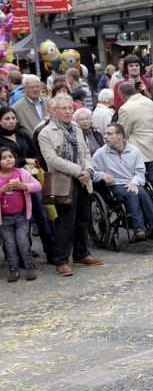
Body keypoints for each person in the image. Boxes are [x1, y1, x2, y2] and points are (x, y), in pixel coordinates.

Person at [37, 94, 103, 276]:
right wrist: (78, 171)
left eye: (70, 108)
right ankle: (61, 261)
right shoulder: (46, 132)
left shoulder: (77, 129)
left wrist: (88, 170)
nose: (68, 111)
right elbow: (51, 159)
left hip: (83, 180)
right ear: (54, 111)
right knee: (65, 222)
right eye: (64, 108)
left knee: (83, 219)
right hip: (63, 181)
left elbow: (86, 153)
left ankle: (81, 254)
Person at [91, 123, 153, 242]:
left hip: (133, 182)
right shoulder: (100, 153)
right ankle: (139, 228)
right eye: (105, 134)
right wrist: (102, 175)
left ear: (120, 136)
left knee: (142, 192)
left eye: (109, 134)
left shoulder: (134, 150)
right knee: (133, 193)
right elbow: (91, 171)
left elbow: (140, 171)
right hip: (115, 185)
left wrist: (134, 182)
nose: (105, 137)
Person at [0, 106, 55, 264]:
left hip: (30, 179)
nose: (11, 121)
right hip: (10, 183)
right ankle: (22, 256)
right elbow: (4, 162)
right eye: (7, 119)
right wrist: (24, 161)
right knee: (18, 220)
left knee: (42, 216)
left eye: (13, 118)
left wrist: (33, 162)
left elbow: (37, 154)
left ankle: (51, 252)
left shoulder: (22, 134)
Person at [117, 82, 153, 221]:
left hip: (145, 153)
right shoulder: (149, 101)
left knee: (148, 185)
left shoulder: (126, 108)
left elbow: (122, 133)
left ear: (122, 95)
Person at [0, 146, 41, 281]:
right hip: (4, 219)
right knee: (9, 245)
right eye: (4, 158)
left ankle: (30, 267)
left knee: (23, 242)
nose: (8, 160)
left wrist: (24, 186)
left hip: (21, 216)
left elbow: (38, 186)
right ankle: (14, 269)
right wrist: (2, 190)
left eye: (10, 157)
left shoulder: (22, 173)